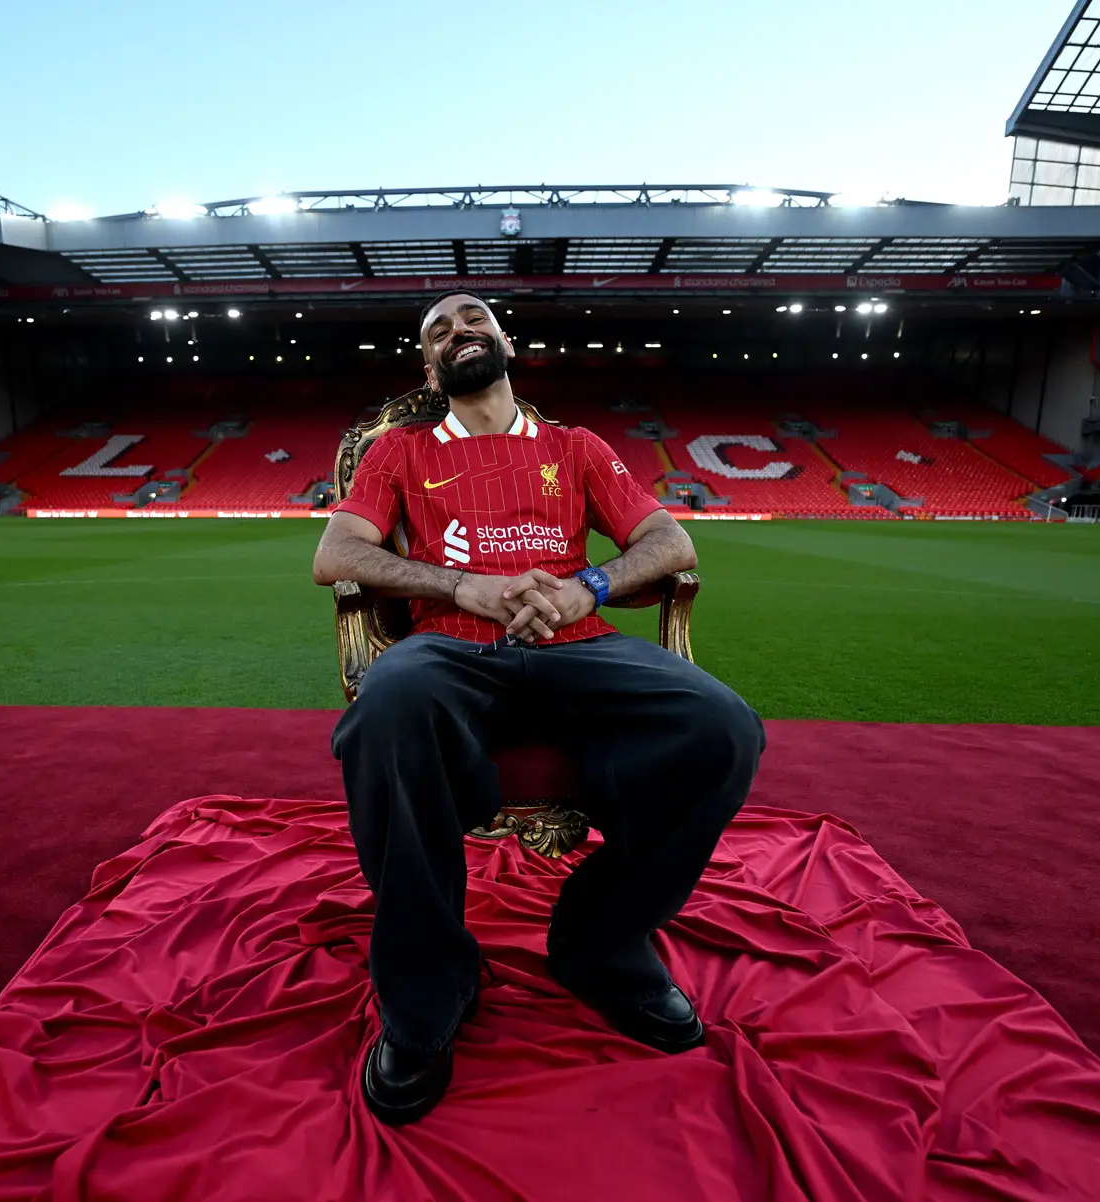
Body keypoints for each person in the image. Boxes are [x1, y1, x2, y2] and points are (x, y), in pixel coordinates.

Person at [312, 291, 766, 1126]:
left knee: (724, 728)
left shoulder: (576, 446)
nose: (459, 334)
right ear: (427, 366)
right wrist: (463, 586)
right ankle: (427, 991)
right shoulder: (401, 452)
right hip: (450, 650)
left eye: (472, 320)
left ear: (505, 341)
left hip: (578, 645)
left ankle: (601, 941)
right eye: (438, 332)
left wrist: (581, 587)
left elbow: (672, 543)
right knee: (385, 703)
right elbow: (334, 554)